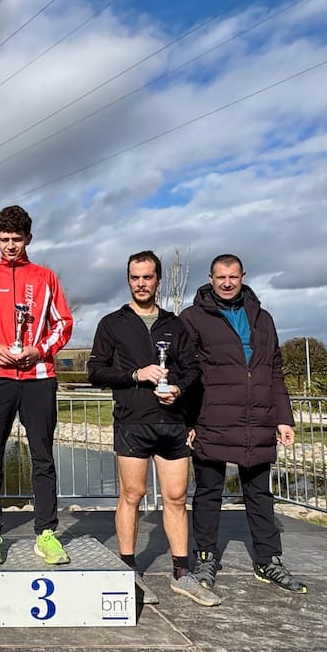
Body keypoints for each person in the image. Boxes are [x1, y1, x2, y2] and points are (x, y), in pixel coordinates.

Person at [88, 251, 218, 606]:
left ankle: (182, 572)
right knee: (132, 495)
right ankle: (127, 570)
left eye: (147, 277)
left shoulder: (177, 325)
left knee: (176, 498)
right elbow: (96, 371)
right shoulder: (112, 323)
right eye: (135, 277)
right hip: (133, 422)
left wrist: (177, 387)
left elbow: (193, 370)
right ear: (128, 280)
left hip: (173, 424)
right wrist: (135, 375)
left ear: (158, 280)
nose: (141, 283)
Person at [179, 254, 307, 595]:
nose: (226, 282)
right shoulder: (192, 318)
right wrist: (189, 420)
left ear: (242, 276)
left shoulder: (263, 319)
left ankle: (269, 560)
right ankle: (206, 557)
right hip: (212, 419)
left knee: (260, 494)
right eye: (220, 276)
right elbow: (185, 373)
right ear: (210, 278)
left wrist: (284, 417)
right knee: (208, 492)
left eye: (232, 276)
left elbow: (274, 370)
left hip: (258, 419)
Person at [0, 205, 73, 564]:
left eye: (17, 239)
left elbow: (63, 324)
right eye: (4, 239)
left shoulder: (46, 278)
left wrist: (39, 350)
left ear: (28, 239)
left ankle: (47, 533)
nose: (10, 246)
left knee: (42, 457)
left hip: (39, 377)